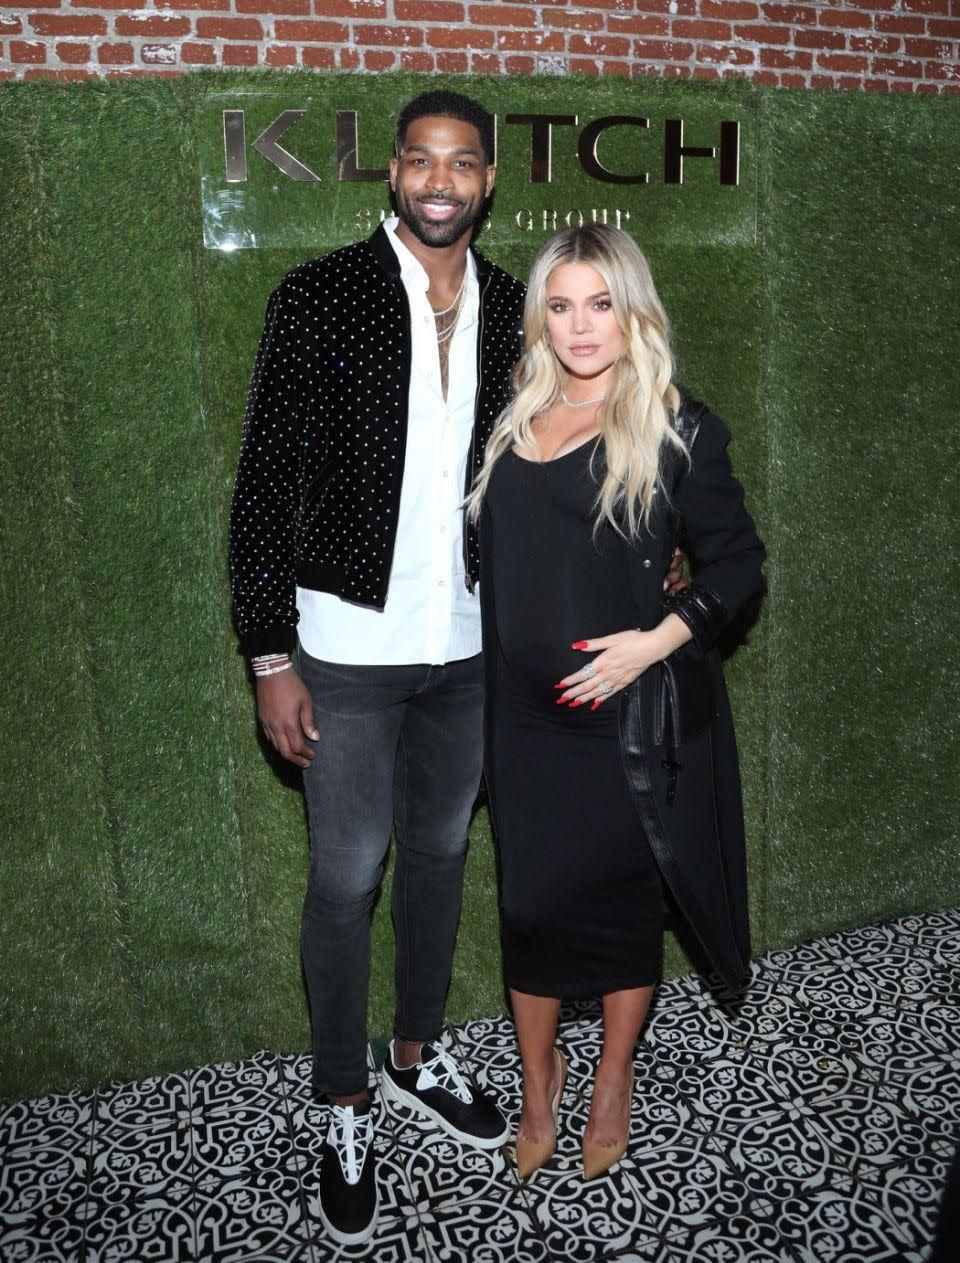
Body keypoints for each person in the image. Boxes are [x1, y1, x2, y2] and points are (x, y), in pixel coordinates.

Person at [228, 91, 525, 1246]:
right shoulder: (317, 297)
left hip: (469, 646)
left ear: (488, 180)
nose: (441, 180)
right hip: (343, 651)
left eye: (463, 164)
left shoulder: (512, 308)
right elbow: (260, 489)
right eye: (421, 160)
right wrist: (269, 654)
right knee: (347, 877)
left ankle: (414, 1054)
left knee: (444, 854)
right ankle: (343, 1099)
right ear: (392, 172)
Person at [467, 223, 765, 1182]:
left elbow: (739, 566)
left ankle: (613, 1079)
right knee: (531, 906)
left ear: (630, 309)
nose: (580, 325)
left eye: (600, 303)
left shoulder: (678, 427)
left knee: (624, 910)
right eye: (560, 305)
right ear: (539, 318)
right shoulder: (512, 415)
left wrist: (656, 639)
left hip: (621, 727)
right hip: (519, 722)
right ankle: (540, 1078)